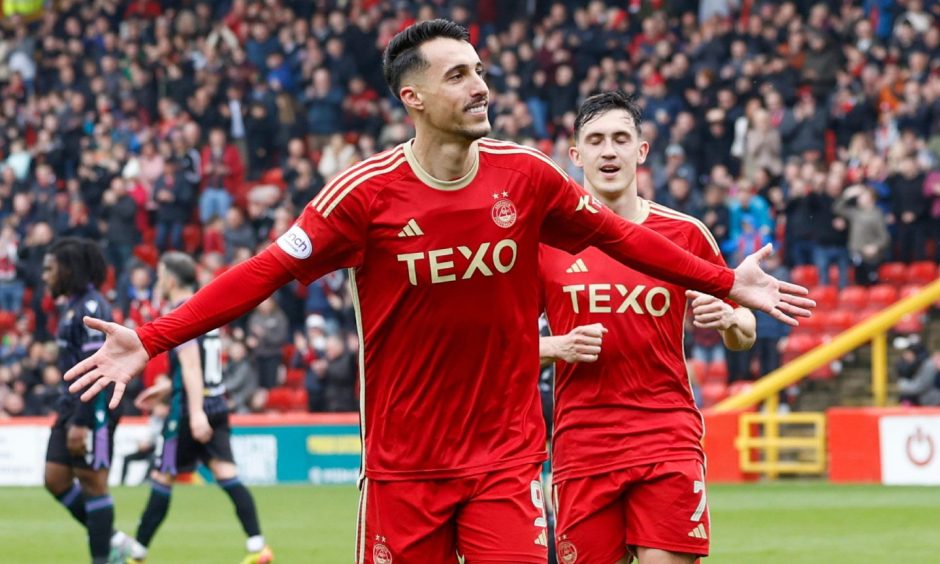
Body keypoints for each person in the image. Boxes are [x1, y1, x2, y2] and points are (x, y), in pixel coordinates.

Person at [66, 20, 812, 564]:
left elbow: (625, 238)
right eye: (458, 75)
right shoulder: (362, 197)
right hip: (404, 470)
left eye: (479, 69)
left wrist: (725, 281)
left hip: (506, 464)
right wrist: (156, 336)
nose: (480, 84)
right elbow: (265, 270)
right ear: (413, 97)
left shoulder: (528, 177)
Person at [538, 91, 756, 564]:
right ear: (575, 155)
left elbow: (744, 326)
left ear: (642, 150)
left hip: (665, 433)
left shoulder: (686, 234)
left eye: (621, 138)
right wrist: (555, 345)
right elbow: (497, 340)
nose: (609, 151)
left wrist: (731, 321)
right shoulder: (545, 241)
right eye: (595, 141)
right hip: (582, 442)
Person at [124, 252, 273, 564]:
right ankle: (258, 546)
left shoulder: (181, 312)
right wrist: (166, 388)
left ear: (172, 279)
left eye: (161, 274)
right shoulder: (207, 306)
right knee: (227, 475)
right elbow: (200, 366)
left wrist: (193, 412)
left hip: (189, 411)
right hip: (215, 404)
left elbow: (192, 367)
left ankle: (136, 555)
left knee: (162, 477)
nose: (158, 280)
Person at [41, 237, 129, 564]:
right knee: (55, 478)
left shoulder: (92, 308)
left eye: (50, 268)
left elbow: (97, 371)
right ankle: (114, 538)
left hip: (93, 408)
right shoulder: (72, 306)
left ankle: (104, 558)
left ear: (68, 269)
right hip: (71, 404)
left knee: (93, 483)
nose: (44, 275)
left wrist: (81, 421)